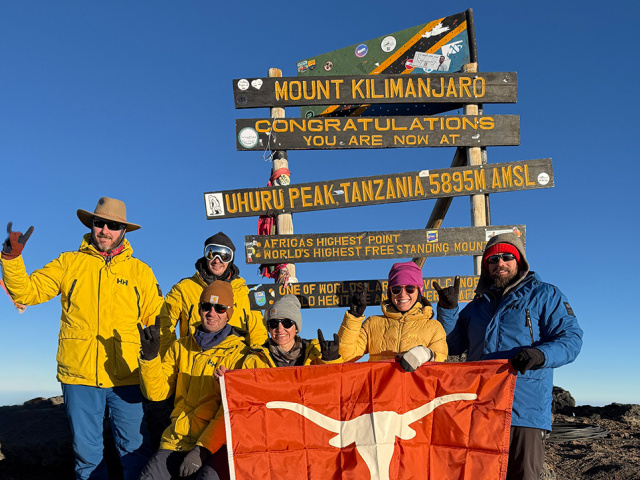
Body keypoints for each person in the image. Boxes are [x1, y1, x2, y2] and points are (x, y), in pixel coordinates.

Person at [0, 197, 163, 480]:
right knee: (87, 458)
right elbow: (27, 292)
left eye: (113, 225)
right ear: (92, 225)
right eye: (100, 223)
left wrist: (157, 367)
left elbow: (157, 324)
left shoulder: (141, 272)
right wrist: (12, 260)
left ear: (123, 230)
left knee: (135, 451)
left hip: (127, 376)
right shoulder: (69, 263)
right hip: (79, 376)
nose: (105, 230)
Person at [436, 232, 583, 480]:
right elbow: (451, 346)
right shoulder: (476, 306)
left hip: (524, 410)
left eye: (507, 257)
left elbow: (571, 339)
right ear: (486, 267)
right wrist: (449, 312)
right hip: (480, 408)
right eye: (493, 260)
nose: (500, 263)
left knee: (523, 475)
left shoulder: (544, 295)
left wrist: (540, 354)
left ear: (519, 261)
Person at [137, 280, 250, 480]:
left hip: (217, 446)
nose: (212, 312)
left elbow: (234, 412)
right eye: (206, 306)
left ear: (229, 313)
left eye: (220, 308)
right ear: (199, 309)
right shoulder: (181, 347)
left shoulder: (240, 354)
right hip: (177, 439)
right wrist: (150, 357)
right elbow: (156, 393)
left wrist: (201, 450)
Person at [158, 232, 266, 356]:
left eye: (224, 256)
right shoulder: (184, 289)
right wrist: (169, 358)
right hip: (193, 362)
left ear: (231, 259)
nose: (217, 260)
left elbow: (258, 333)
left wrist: (256, 362)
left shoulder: (244, 292)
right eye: (212, 252)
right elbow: (164, 326)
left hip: (233, 363)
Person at [338, 261, 448, 371]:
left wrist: (425, 354)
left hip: (416, 388)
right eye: (396, 289)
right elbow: (347, 356)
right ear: (390, 293)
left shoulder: (433, 327)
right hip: (380, 387)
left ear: (419, 291)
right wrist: (353, 317)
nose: (402, 294)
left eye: (410, 288)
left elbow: (440, 359)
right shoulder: (372, 323)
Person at [240, 294, 342, 369]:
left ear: (296, 327)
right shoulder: (255, 359)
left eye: (287, 323)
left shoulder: (315, 353)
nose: (280, 329)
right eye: (274, 324)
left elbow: (333, 384)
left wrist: (331, 361)